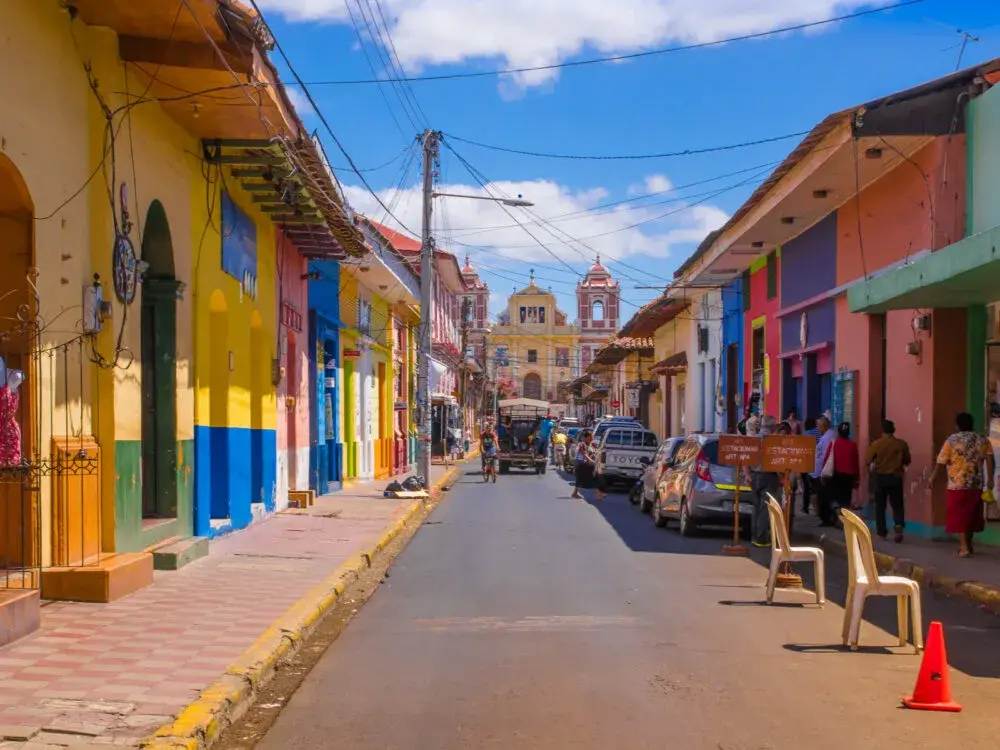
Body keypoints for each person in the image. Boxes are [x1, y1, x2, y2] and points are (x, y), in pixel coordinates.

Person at [928, 412, 995, 558]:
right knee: (971, 516)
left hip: (956, 484)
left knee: (960, 517)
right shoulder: (983, 440)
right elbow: (990, 460)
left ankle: (964, 547)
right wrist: (990, 479)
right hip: (976, 484)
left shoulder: (952, 440)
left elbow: (941, 461)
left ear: (957, 425)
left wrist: (933, 477)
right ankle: (968, 545)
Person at [865, 419, 911, 542]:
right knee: (897, 505)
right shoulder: (901, 444)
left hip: (880, 478)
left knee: (880, 506)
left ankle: (881, 532)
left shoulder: (876, 444)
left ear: (882, 431)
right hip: (896, 477)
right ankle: (899, 526)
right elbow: (907, 460)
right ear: (893, 430)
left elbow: (868, 460)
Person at [744, 415, 780, 547]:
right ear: (773, 427)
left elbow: (745, 459)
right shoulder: (773, 441)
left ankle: (754, 535)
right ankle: (761, 538)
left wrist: (747, 475)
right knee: (765, 508)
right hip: (768, 476)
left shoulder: (752, 439)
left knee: (756, 506)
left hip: (754, 475)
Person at [823, 422, 860, 516]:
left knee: (835, 496)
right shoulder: (853, 445)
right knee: (846, 499)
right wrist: (857, 478)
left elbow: (827, 458)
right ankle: (844, 517)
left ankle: (837, 514)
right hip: (849, 476)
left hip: (836, 475)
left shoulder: (834, 443)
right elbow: (855, 462)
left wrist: (824, 471)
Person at [812, 417, 837, 526]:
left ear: (823, 426)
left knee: (824, 496)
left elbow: (826, 456)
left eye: (818, 426)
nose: (817, 428)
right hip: (822, 471)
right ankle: (827, 517)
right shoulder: (828, 436)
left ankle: (826, 519)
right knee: (824, 496)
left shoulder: (828, 437)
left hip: (823, 472)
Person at [571, 430, 605, 500]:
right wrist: (589, 460)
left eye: (591, 438)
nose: (591, 439)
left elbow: (596, 453)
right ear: (585, 438)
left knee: (591, 478)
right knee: (592, 478)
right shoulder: (582, 445)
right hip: (582, 464)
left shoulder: (592, 445)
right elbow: (584, 453)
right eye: (589, 438)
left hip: (589, 464)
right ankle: (599, 494)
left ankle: (575, 493)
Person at [801, 417, 820, 514]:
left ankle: (806, 507)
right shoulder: (820, 433)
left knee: (807, 488)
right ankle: (818, 508)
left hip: (807, 463)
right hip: (818, 463)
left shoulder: (806, 434)